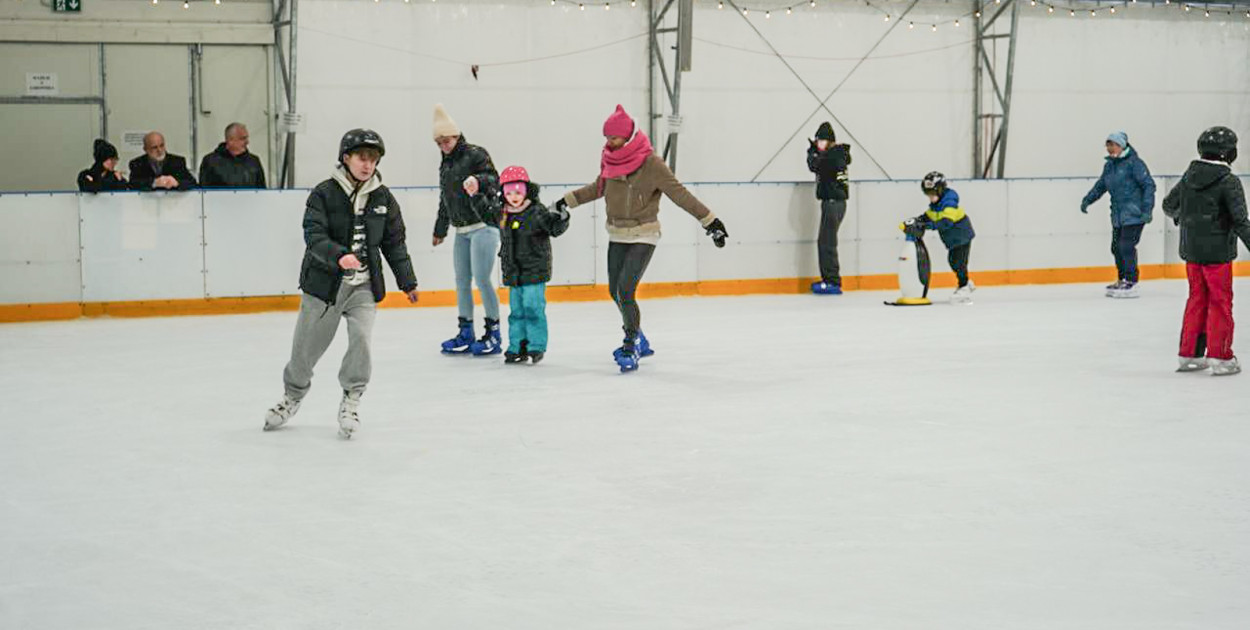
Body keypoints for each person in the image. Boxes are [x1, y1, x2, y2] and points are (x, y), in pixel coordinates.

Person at [263, 129, 419, 439]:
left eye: (373, 159)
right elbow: (314, 235)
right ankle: (292, 396)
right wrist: (339, 256)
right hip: (325, 286)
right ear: (346, 158)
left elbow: (395, 243)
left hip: (363, 286)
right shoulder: (324, 193)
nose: (367, 165)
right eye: (362, 158)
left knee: (361, 339)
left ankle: (352, 398)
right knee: (306, 350)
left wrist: (407, 281)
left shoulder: (383, 198)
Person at [559, 105, 729, 372]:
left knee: (625, 290)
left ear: (627, 137)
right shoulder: (609, 159)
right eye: (606, 138)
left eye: (613, 138)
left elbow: (680, 194)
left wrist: (711, 222)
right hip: (617, 232)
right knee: (614, 291)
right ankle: (639, 334)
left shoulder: (652, 164)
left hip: (644, 233)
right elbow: (598, 188)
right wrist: (567, 201)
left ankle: (631, 341)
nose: (609, 143)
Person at [1163, 126, 1250, 376]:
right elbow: (1241, 221)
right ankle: (1220, 356)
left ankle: (1189, 354)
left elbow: (1169, 205)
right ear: (1228, 153)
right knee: (1220, 303)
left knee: (1196, 300)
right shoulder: (1228, 181)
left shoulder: (1189, 176)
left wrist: (1187, 219)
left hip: (1192, 253)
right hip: (1218, 255)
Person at [431, 104, 504, 356]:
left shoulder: (475, 154)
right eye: (439, 142)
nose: (444, 145)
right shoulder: (446, 165)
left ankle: (493, 332)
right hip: (461, 230)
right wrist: (440, 229)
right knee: (462, 281)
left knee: (483, 280)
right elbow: (446, 198)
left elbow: (494, 179)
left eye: (447, 140)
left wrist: (478, 180)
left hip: (483, 226)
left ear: (457, 135)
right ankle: (466, 330)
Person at [497, 166, 570, 365]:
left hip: (534, 270)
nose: (513, 196)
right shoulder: (503, 214)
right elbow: (483, 210)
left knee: (533, 308)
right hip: (513, 272)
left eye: (518, 192)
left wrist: (561, 216)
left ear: (526, 191)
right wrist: (475, 194)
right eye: (509, 192)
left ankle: (536, 345)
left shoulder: (537, 211)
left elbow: (554, 229)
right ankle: (517, 346)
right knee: (516, 311)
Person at [1081, 131, 1156, 298]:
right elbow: (1101, 185)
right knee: (1116, 247)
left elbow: (1148, 185)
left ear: (1122, 145)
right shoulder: (1110, 166)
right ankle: (1122, 278)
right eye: (1108, 145)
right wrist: (1088, 200)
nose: (1110, 148)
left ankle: (1131, 281)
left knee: (1126, 246)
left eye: (1113, 144)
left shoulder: (1134, 164)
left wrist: (1147, 210)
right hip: (1118, 215)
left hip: (1135, 214)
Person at [915, 171, 976, 304]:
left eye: (932, 194)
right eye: (928, 194)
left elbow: (946, 222)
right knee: (953, 261)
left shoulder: (949, 201)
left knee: (959, 262)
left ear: (941, 190)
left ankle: (964, 286)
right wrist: (917, 220)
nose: (930, 197)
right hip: (952, 239)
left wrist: (927, 226)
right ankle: (966, 283)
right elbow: (929, 215)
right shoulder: (936, 204)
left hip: (962, 235)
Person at [806, 122, 852, 294]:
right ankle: (830, 279)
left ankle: (832, 280)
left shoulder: (833, 156)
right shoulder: (836, 154)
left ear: (829, 141)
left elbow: (815, 165)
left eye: (821, 140)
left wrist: (812, 152)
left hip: (833, 203)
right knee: (825, 241)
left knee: (827, 242)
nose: (818, 143)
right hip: (834, 203)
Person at [199, 122, 266, 189]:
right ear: (230, 140)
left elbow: (261, 191)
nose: (247, 142)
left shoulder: (254, 161)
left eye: (247, 138)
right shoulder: (211, 162)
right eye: (243, 138)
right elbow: (204, 193)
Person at [128, 131, 197, 191]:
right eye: (154, 147)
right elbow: (132, 184)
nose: (159, 150)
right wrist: (154, 183)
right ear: (145, 149)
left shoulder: (177, 161)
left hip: (174, 201)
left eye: (162, 145)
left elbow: (192, 182)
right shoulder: (137, 164)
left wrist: (177, 183)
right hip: (146, 202)